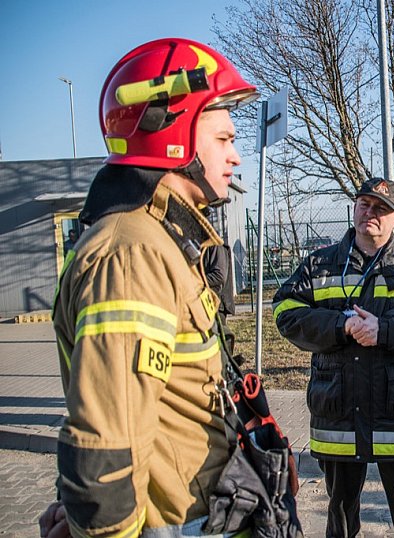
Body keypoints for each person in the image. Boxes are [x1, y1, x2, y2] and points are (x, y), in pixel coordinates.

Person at [40, 38, 261, 537]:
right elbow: (106, 451)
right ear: (174, 133)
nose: (237, 157)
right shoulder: (132, 255)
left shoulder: (160, 239)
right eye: (224, 139)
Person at [272, 177, 394, 538]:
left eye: (381, 208)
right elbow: (286, 311)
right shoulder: (320, 265)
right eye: (364, 204)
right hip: (338, 414)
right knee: (340, 514)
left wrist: (384, 330)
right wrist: (340, 326)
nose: (369, 213)